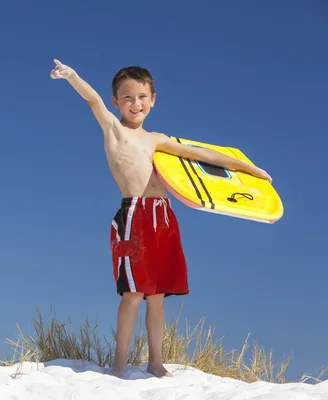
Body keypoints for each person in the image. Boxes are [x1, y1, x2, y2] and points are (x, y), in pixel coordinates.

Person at [49, 59, 272, 379]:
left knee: (157, 296)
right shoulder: (113, 129)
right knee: (133, 293)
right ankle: (120, 363)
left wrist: (248, 168)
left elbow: (201, 155)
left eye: (142, 97)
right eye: (127, 97)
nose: (135, 103)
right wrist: (71, 75)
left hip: (164, 219)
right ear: (116, 102)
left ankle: (156, 362)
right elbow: (92, 99)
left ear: (152, 99)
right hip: (134, 215)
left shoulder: (157, 139)